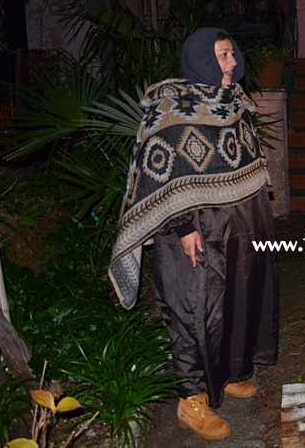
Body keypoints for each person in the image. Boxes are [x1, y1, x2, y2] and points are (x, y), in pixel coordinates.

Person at [108, 27, 279, 441]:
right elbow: (157, 175)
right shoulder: (170, 109)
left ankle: (232, 371)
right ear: (202, 58)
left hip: (240, 225)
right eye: (224, 55)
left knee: (238, 298)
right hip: (192, 230)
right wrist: (180, 226)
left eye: (232, 53)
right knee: (194, 311)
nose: (233, 62)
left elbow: (247, 159)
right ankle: (191, 401)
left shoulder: (234, 102)